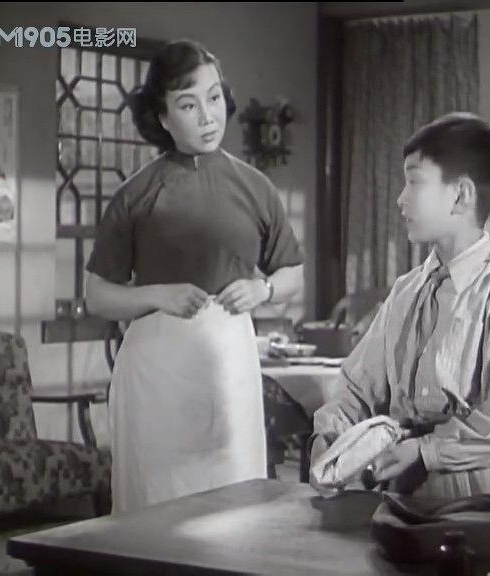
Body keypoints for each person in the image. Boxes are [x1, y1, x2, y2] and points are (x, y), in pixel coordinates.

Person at [85, 39, 304, 515]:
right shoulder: (136, 195)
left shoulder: (256, 187)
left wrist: (264, 288)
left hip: (229, 366)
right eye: (188, 105)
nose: (208, 116)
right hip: (157, 373)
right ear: (162, 117)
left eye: (213, 97)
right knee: (156, 508)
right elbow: (97, 295)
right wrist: (157, 295)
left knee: (233, 504)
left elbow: (293, 274)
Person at [310, 112, 490, 507]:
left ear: (461, 195)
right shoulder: (406, 290)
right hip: (404, 496)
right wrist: (331, 433)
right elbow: (358, 386)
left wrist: (426, 451)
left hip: (482, 498)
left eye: (414, 181)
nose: (400, 199)